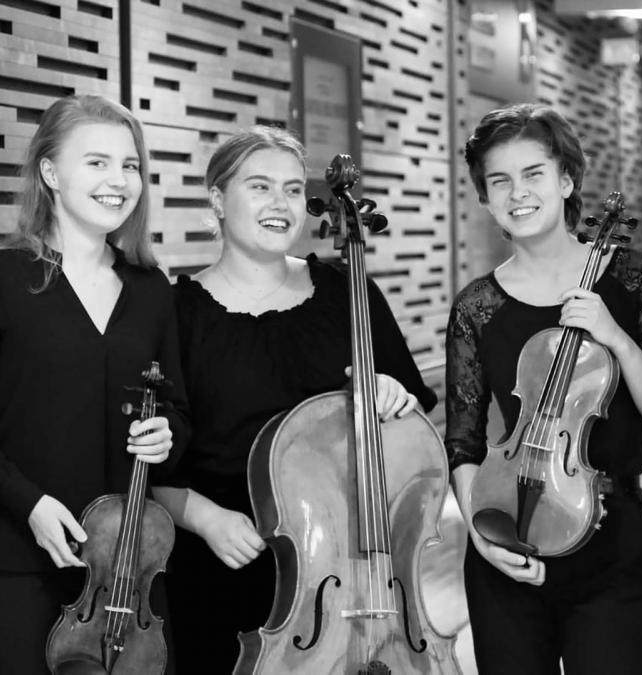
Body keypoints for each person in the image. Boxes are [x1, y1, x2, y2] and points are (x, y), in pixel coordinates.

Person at [0, 94, 188, 674]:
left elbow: (178, 414)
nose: (119, 180)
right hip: (17, 569)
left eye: (130, 165)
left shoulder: (151, 288)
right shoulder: (3, 278)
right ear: (50, 172)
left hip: (128, 577)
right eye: (97, 162)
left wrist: (168, 435)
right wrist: (27, 502)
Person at [153, 126, 437, 674]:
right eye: (259, 187)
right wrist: (204, 517)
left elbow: (412, 446)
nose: (280, 204)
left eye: (289, 189)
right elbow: (140, 460)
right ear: (217, 199)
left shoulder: (348, 293)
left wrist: (394, 399)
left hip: (345, 574)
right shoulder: (172, 313)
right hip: (221, 566)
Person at [445, 103, 642, 674]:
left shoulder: (632, 279)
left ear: (566, 180)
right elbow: (463, 441)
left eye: (533, 174)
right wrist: (484, 537)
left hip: (612, 543)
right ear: (485, 199)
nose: (518, 193)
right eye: (498, 181)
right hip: (509, 532)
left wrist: (615, 337)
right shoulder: (477, 307)